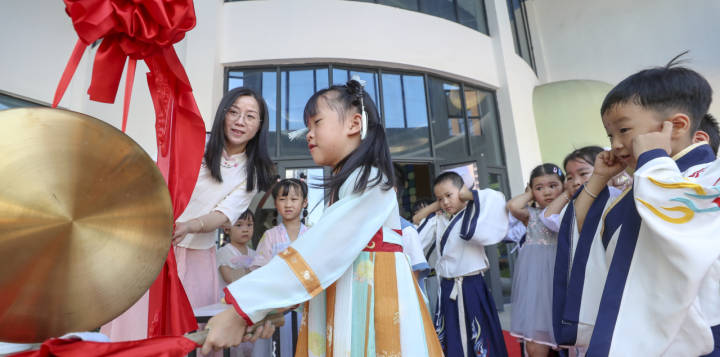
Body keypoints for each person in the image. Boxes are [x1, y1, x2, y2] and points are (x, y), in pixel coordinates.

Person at [201, 78, 442, 356]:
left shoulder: (372, 180)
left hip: (372, 315)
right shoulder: (353, 182)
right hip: (349, 309)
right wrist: (263, 309)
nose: (308, 134)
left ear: (353, 124)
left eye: (316, 122)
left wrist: (244, 309)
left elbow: (321, 250)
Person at [555, 59, 720, 356]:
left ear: (677, 126)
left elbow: (680, 224)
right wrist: (598, 179)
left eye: (624, 130)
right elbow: (585, 232)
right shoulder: (643, 186)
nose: (615, 145)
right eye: (610, 135)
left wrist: (654, 158)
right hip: (642, 333)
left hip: (703, 335)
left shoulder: (709, 179)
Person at [101, 87, 274, 342]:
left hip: (197, 256)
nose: (240, 121)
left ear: (260, 125)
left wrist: (190, 226)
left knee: (187, 333)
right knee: (137, 326)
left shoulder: (253, 172)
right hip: (153, 246)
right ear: (222, 115)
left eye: (250, 116)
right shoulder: (196, 142)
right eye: (234, 112)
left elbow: (223, 215)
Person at [414, 171, 509, 357]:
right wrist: (429, 209)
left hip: (472, 286)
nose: (445, 202)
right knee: (452, 337)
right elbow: (416, 237)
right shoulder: (438, 220)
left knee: (480, 337)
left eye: (449, 195)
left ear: (462, 191)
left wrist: (465, 195)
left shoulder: (475, 213)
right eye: (440, 199)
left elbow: (495, 199)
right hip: (448, 286)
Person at [506, 164, 565, 357]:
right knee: (536, 337)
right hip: (537, 283)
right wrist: (530, 194)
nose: (547, 192)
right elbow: (513, 206)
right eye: (539, 188)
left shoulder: (570, 211)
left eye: (553, 185)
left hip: (563, 275)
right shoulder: (531, 216)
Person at [250, 178, 310, 357]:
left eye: (294, 199)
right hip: (277, 306)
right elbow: (257, 270)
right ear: (275, 202)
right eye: (282, 199)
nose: (288, 204)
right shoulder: (270, 236)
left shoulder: (312, 234)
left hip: (306, 306)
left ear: (304, 202)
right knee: (279, 347)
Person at [217, 210, 257, 357]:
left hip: (248, 308)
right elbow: (229, 277)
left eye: (249, 225)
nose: (245, 229)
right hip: (229, 308)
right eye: (239, 225)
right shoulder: (224, 252)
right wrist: (251, 273)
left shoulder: (254, 254)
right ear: (227, 228)